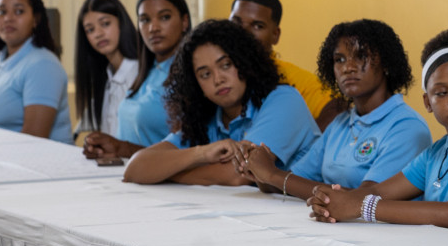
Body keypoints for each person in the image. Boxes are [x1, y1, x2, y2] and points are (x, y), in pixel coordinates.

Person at [305, 31, 448, 235]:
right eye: (442, 93)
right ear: (427, 102)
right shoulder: (436, 152)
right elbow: (378, 191)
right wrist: (331, 199)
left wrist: (361, 207)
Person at [239, 19, 431, 198]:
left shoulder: (408, 128)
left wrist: (273, 175)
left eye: (361, 56)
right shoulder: (340, 123)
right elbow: (288, 183)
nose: (348, 68)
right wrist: (258, 165)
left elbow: (363, 199)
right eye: (339, 60)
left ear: (386, 64)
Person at [123, 20, 319, 186]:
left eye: (226, 65)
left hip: (309, 213)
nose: (218, 79)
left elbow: (239, 174)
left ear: (245, 62)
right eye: (205, 74)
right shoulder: (207, 118)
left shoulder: (284, 99)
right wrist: (201, 153)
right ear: (196, 85)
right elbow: (135, 168)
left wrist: (168, 174)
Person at [85, 0, 190, 159]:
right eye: (145, 20)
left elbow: (185, 154)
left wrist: (122, 149)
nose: (153, 28)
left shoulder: (190, 76)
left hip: (161, 174)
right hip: (125, 171)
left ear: (184, 21)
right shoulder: (146, 72)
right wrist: (106, 147)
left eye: (164, 17)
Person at [228, 0, 347, 129]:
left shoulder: (294, 80)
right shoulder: (213, 72)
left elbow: (339, 110)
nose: (243, 32)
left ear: (275, 35)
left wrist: (301, 140)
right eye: (236, 22)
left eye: (258, 26)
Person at [0, 0, 73, 143]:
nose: (8, 18)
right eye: (2, 12)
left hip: (39, 157)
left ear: (35, 19)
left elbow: (33, 139)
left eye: (19, 11)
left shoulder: (43, 65)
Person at [73, 0, 140, 137]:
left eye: (105, 24)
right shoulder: (106, 78)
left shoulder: (139, 73)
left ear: (121, 23)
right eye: (90, 30)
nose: (98, 34)